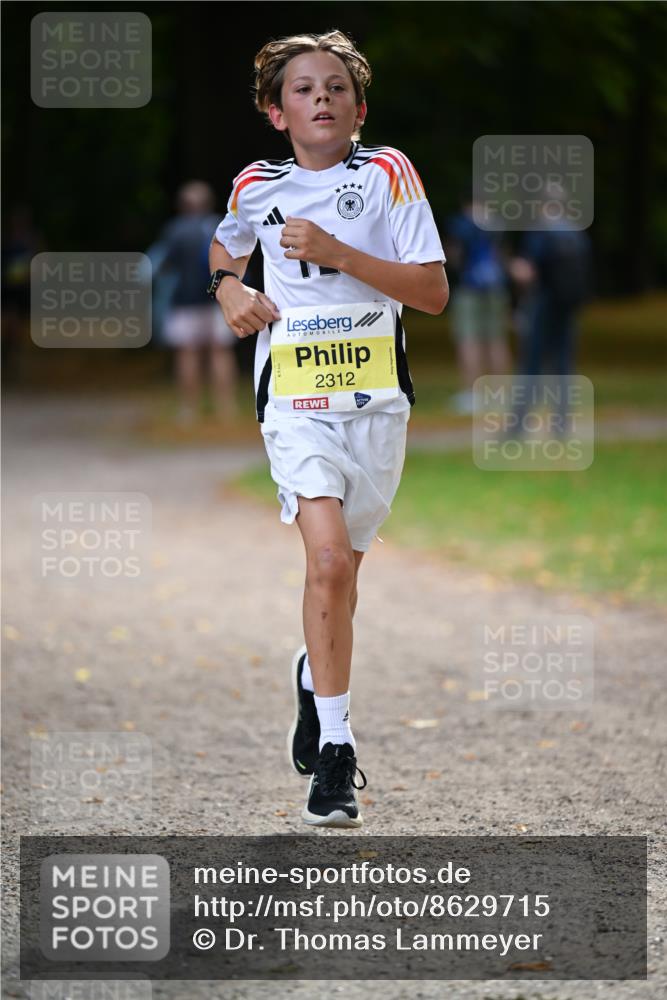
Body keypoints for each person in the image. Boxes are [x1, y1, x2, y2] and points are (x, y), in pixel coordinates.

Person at [210, 30, 448, 827]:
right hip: (296, 404)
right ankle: (337, 755)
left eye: (335, 87)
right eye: (304, 89)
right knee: (326, 568)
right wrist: (226, 290)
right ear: (276, 113)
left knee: (346, 572)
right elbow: (226, 244)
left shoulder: (386, 173)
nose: (321, 98)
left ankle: (315, 682)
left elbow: (432, 293)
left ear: (359, 107)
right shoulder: (254, 183)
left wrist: (340, 252)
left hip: (377, 405)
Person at [159, 181, 239, 424]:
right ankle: (227, 408)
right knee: (221, 352)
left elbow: (167, 265)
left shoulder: (176, 229)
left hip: (184, 301)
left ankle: (188, 410)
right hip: (217, 299)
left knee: (188, 353)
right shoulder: (220, 225)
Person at [445, 200, 511, 414]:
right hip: (495, 287)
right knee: (496, 339)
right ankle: (501, 394)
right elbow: (503, 255)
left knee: (469, 339)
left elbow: (454, 255)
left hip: (469, 287)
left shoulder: (462, 224)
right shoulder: (496, 223)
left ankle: (472, 394)